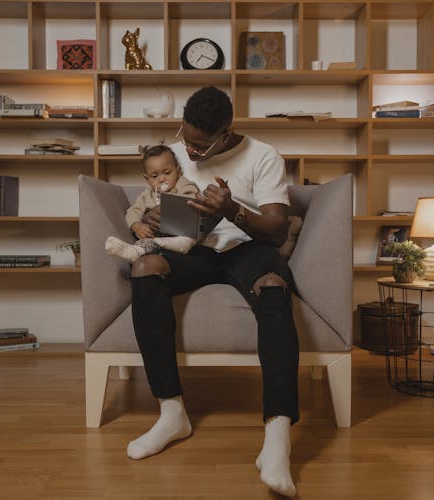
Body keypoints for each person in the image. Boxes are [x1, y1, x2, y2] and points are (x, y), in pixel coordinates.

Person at [126, 86, 299, 497]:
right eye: (185, 139)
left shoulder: (263, 155)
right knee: (144, 266)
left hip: (248, 250)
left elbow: (276, 232)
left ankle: (278, 436)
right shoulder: (175, 150)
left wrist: (230, 209)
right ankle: (172, 413)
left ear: (226, 133)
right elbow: (159, 203)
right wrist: (154, 216)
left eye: (200, 146)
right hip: (194, 250)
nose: (190, 150)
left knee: (274, 287)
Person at [105, 144, 200, 262]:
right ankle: (134, 252)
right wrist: (137, 226)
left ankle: (175, 245)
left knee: (188, 238)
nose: (161, 179)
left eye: (167, 173)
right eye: (154, 176)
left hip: (180, 235)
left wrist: (173, 196)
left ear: (178, 171)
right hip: (156, 238)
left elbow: (193, 201)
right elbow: (132, 212)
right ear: (147, 179)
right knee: (145, 242)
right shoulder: (147, 195)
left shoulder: (184, 185)